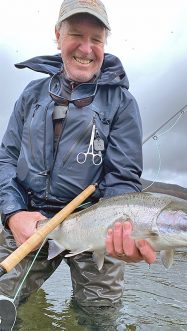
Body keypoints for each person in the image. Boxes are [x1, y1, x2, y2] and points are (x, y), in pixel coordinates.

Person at [0, 0, 156, 309]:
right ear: (57, 35)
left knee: (100, 318)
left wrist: (122, 228)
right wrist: (12, 213)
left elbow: (123, 178)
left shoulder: (123, 104)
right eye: (76, 35)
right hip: (30, 222)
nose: (86, 49)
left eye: (96, 39)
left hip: (95, 228)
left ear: (104, 43)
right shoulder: (30, 95)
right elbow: (6, 160)